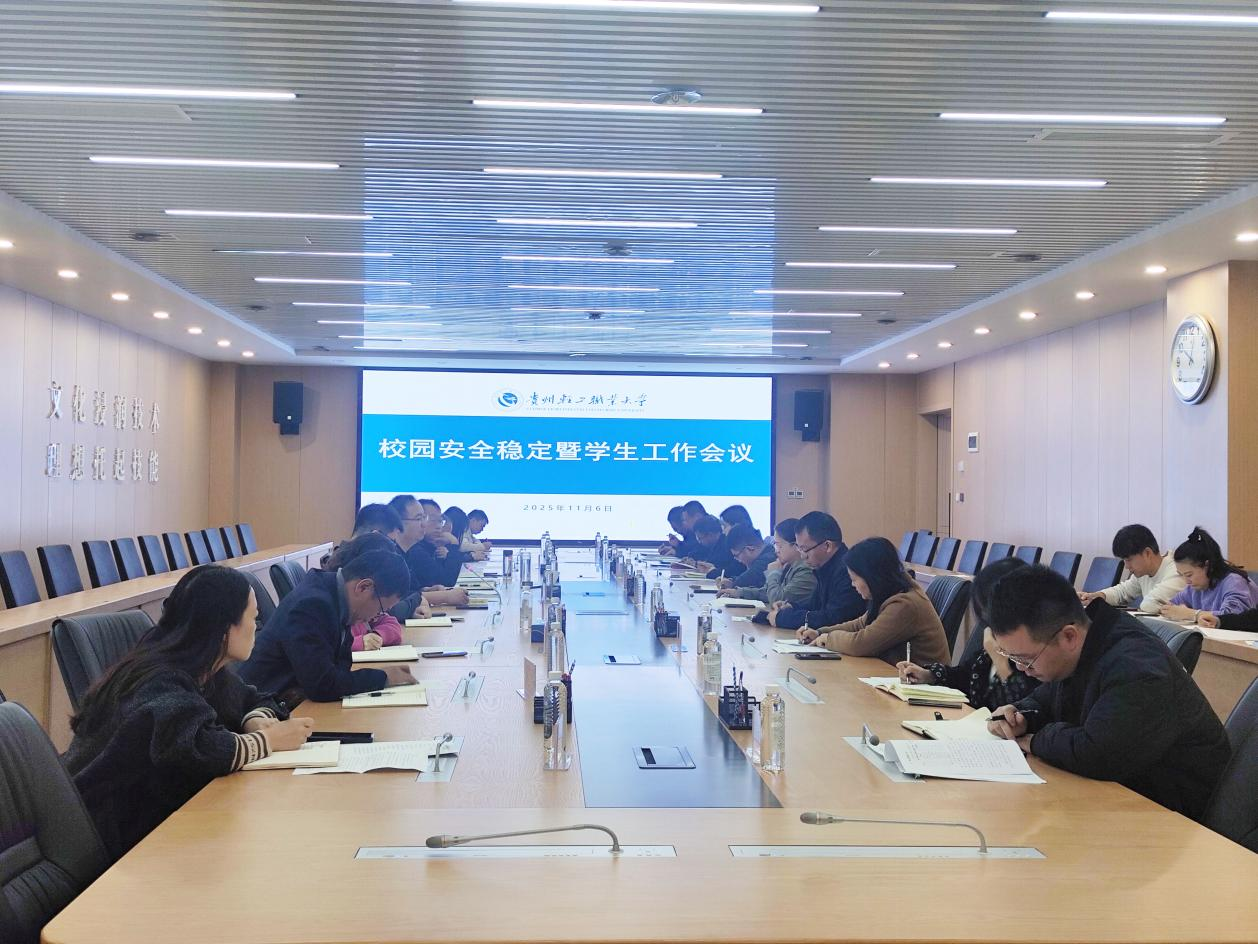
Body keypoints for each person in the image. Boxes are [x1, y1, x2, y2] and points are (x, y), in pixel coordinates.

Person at [64, 566, 315, 858]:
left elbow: (255, 699)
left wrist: (255, 720)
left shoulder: (205, 670)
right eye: (252, 617)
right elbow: (198, 749)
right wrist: (268, 740)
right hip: (112, 836)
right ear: (224, 629)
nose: (256, 627)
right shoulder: (159, 679)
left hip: (152, 818)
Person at [987, 565, 1230, 820]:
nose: (1021, 669)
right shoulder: (1086, 639)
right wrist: (1021, 715)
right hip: (1119, 795)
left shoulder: (1137, 666)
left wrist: (1036, 740)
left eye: (1026, 659)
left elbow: (1097, 754)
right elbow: (1050, 697)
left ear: (1069, 637)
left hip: (1173, 816)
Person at [238, 541, 417, 704]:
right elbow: (322, 685)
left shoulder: (336, 596)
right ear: (363, 587)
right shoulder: (313, 605)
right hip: (262, 710)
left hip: (290, 701)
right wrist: (383, 677)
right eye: (380, 609)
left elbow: (339, 669)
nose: (375, 617)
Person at [897, 557, 1038, 710]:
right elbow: (966, 675)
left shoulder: (1033, 653)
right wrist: (928, 675)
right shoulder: (991, 640)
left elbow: (1025, 706)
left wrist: (1000, 660)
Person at [799, 536, 950, 664]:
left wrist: (828, 639)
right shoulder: (888, 594)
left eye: (854, 579)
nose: (853, 585)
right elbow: (860, 624)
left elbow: (861, 643)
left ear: (872, 577)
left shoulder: (905, 604)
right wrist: (819, 632)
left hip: (921, 685)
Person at [766, 511, 864, 630]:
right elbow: (815, 607)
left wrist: (783, 618)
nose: (802, 556)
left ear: (827, 546)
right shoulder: (825, 566)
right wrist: (791, 607)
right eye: (799, 548)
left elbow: (833, 618)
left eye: (805, 549)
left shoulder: (847, 571)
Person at [1079, 524, 1184, 614]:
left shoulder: (1177, 570)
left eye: (1129, 560)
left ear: (1147, 553)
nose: (1126, 566)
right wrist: (1098, 597)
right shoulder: (1143, 572)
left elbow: (1150, 604)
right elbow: (1123, 592)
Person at [1160, 527, 1258, 621]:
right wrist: (1169, 610)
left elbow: (1233, 618)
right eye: (1181, 575)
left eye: (1189, 575)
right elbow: (1170, 606)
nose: (1186, 581)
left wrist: (1191, 614)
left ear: (1207, 565)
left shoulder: (1234, 581)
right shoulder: (1194, 588)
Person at [387, 494, 468, 607]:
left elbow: (410, 590)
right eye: (419, 518)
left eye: (424, 518)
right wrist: (444, 596)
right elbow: (395, 600)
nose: (424, 524)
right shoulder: (390, 556)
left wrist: (427, 590)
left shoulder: (407, 552)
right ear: (398, 523)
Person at [722, 518, 817, 608]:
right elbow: (767, 593)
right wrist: (740, 592)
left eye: (779, 545)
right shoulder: (789, 565)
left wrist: (773, 573)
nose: (776, 551)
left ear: (796, 545)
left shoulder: (806, 570)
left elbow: (777, 599)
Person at [679, 514, 745, 578]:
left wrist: (712, 570)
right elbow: (697, 553)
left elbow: (732, 569)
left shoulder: (727, 545)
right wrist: (693, 561)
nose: (699, 542)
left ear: (710, 535)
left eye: (700, 538)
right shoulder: (710, 545)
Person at [715, 524, 776, 590]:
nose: (736, 559)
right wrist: (730, 581)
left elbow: (748, 579)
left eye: (736, 555)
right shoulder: (767, 552)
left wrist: (732, 583)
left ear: (750, 548)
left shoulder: (768, 559)